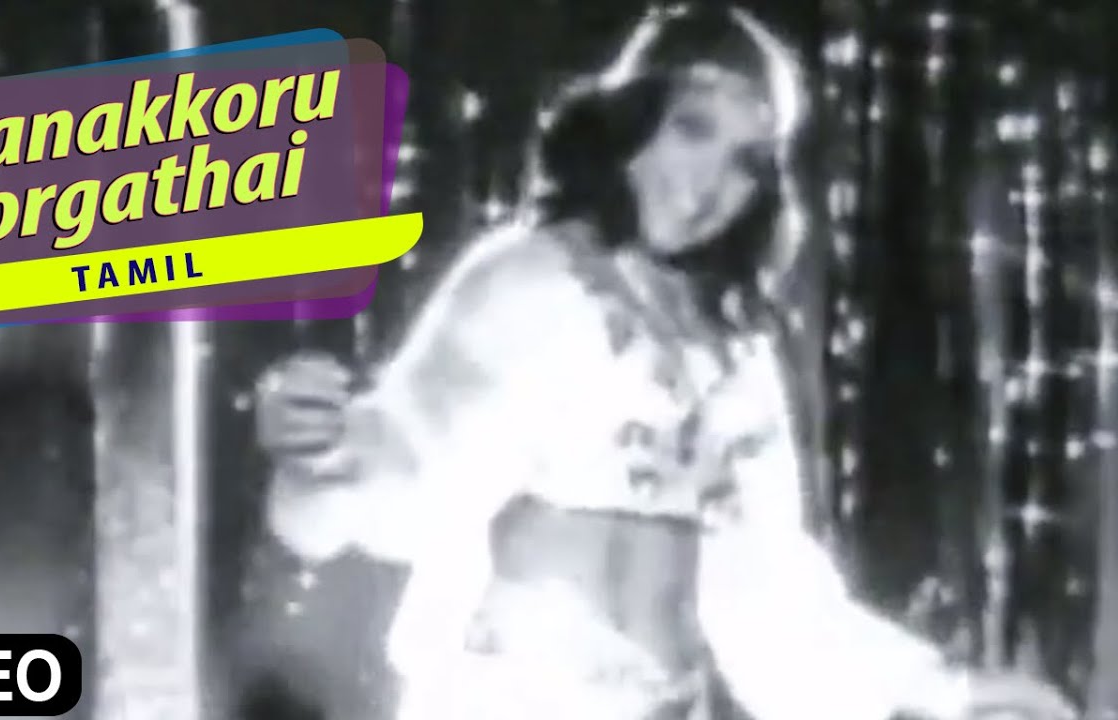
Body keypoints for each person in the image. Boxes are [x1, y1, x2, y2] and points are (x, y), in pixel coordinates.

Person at [255, 5, 1078, 720]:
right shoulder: (530, 279)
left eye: (748, 163)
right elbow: (407, 477)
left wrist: (947, 691)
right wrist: (317, 450)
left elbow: (772, 592)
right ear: (629, 121)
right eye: (693, 129)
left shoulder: (732, 346)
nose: (710, 186)